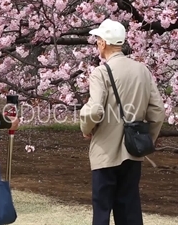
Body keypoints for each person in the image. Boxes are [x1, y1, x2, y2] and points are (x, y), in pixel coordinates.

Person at [79, 19, 165, 225]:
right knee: (130, 210)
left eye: (97, 39)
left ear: (103, 43)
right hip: (133, 153)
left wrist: (86, 127)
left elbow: (95, 109)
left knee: (102, 211)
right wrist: (145, 139)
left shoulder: (101, 73)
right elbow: (158, 111)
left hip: (105, 154)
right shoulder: (142, 71)